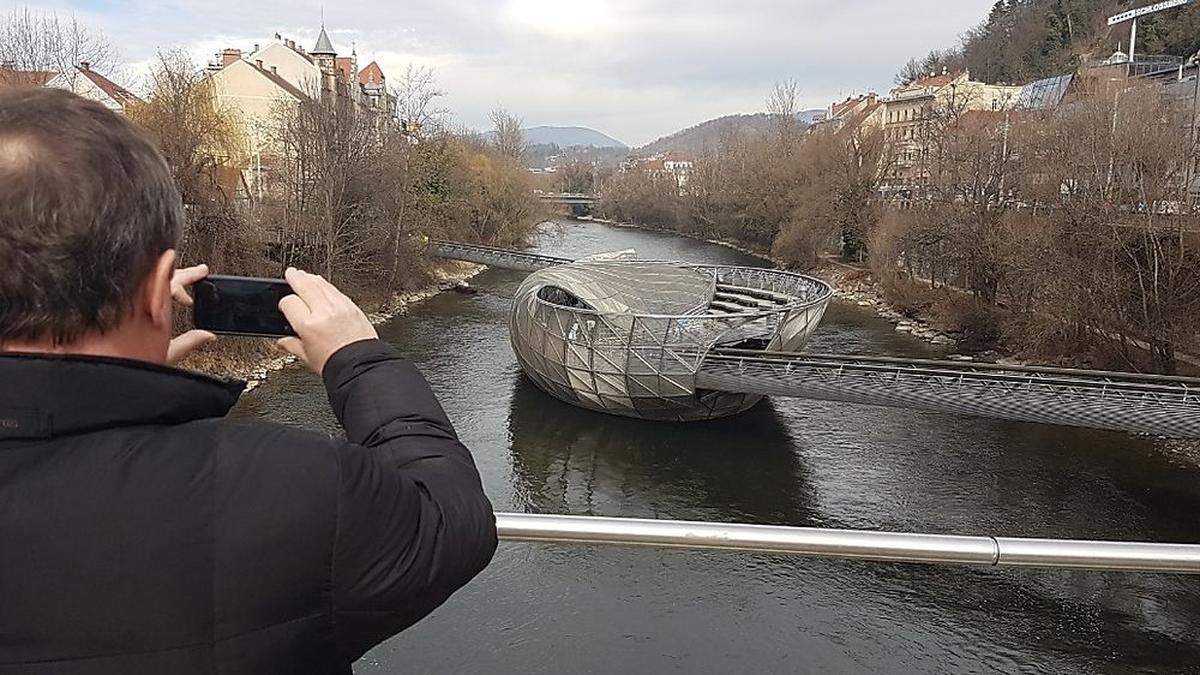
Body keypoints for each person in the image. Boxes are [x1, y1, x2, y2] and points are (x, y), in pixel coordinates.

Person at [0, 88, 497, 673]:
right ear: (160, 289)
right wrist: (361, 359)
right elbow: (454, 520)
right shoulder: (294, 489)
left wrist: (106, 394)